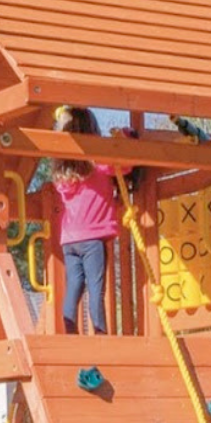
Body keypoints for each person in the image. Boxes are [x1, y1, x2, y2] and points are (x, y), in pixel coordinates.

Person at [50, 105, 128, 335]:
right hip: (92, 238)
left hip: (70, 240)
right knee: (96, 289)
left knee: (74, 286)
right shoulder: (99, 165)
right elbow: (125, 166)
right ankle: (100, 332)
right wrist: (125, 137)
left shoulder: (63, 171)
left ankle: (71, 329)